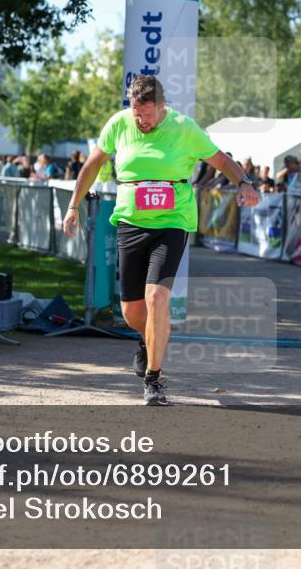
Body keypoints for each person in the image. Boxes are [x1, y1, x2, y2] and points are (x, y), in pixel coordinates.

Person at [62, 75, 259, 406]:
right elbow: (93, 164)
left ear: (162, 106)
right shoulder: (119, 124)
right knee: (131, 311)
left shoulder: (184, 128)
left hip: (172, 221)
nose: (141, 122)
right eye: (136, 114)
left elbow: (221, 160)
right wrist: (73, 206)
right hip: (131, 222)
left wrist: (246, 182)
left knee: (156, 298)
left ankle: (154, 379)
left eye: (147, 115)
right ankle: (147, 340)